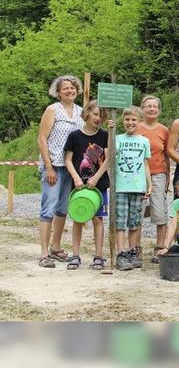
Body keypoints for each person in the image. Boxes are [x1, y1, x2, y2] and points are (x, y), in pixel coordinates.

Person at [37, 75, 85, 267]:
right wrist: (48, 167)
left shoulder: (81, 112)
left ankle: (55, 247)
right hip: (54, 166)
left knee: (63, 209)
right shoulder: (52, 110)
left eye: (72, 88)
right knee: (48, 207)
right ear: (58, 92)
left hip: (71, 168)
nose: (69, 91)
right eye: (65, 88)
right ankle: (43, 253)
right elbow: (42, 139)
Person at [63, 100, 110, 270]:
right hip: (79, 185)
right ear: (87, 113)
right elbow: (67, 160)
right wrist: (76, 178)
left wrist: (96, 177)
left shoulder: (104, 135)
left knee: (98, 218)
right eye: (96, 114)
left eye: (102, 115)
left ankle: (98, 256)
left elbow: (108, 159)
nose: (99, 118)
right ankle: (75, 255)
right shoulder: (74, 136)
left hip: (100, 184)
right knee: (78, 217)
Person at [114, 106, 152, 271]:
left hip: (138, 186)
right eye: (127, 119)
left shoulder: (144, 141)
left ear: (139, 121)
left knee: (135, 221)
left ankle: (132, 251)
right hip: (121, 186)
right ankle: (121, 253)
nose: (130, 123)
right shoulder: (116, 139)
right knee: (120, 220)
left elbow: (145, 164)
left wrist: (149, 184)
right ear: (123, 121)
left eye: (134, 120)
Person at [136, 95, 170, 264]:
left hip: (158, 174)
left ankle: (160, 248)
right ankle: (136, 248)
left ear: (159, 110)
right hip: (138, 175)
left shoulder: (164, 130)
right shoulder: (136, 127)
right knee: (138, 211)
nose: (151, 109)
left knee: (160, 212)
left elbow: (167, 155)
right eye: (148, 106)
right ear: (142, 109)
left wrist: (168, 178)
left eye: (154, 106)